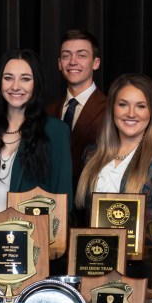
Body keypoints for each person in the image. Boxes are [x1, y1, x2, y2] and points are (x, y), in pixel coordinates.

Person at [74, 74, 152, 263]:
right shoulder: (92, 154)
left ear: (151, 111)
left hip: (143, 270)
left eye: (140, 106)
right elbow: (79, 217)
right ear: (112, 108)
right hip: (93, 265)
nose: (131, 113)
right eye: (123, 104)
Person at [0, 49, 72, 214]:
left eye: (25, 79)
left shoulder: (56, 131)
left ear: (36, 84)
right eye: (8, 78)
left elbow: (63, 198)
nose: (15, 86)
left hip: (33, 236)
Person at [47, 29, 106, 187]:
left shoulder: (111, 110)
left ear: (96, 62)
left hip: (90, 202)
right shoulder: (48, 112)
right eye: (66, 55)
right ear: (60, 64)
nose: (73, 61)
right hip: (53, 202)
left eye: (81, 55)